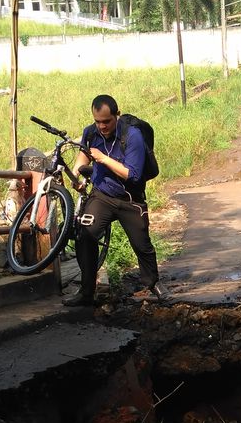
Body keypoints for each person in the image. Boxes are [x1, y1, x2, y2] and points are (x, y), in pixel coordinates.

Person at [62, 94, 167, 306]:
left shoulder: (133, 135)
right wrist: (76, 173)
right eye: (97, 121)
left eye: (107, 121)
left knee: (142, 244)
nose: (102, 126)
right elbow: (84, 154)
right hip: (102, 194)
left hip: (130, 198)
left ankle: (152, 284)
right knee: (85, 235)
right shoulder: (91, 132)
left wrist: (103, 159)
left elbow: (133, 174)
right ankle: (86, 291)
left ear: (117, 116)